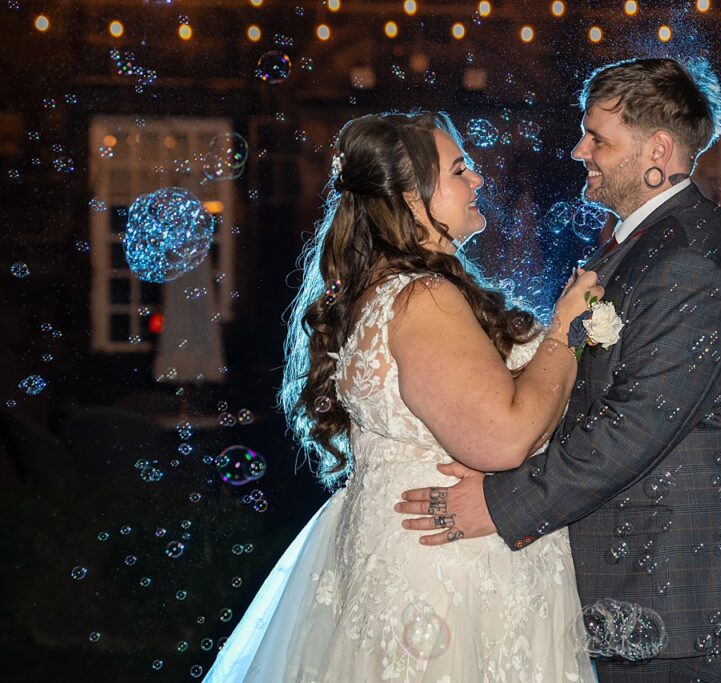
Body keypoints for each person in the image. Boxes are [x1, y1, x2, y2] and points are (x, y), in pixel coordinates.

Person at [396, 58, 721, 682]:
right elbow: (598, 398)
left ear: (658, 149)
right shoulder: (649, 244)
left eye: (598, 138)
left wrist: (498, 502)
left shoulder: (689, 262)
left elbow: (634, 429)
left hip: (669, 601)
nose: (579, 151)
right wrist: (511, 449)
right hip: (637, 595)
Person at [204, 111, 600, 681]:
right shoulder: (422, 299)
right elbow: (506, 438)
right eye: (460, 169)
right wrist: (566, 329)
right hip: (447, 574)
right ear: (414, 201)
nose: (479, 181)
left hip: (416, 555)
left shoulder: (389, 290)